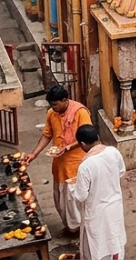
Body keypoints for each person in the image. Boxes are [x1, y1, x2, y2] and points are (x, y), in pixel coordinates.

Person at [25, 84, 91, 235]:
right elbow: (47, 135)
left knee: (73, 201)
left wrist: (67, 148)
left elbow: (87, 137)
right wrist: (34, 154)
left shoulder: (80, 112)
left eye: (55, 104)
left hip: (76, 165)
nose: (53, 107)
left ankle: (78, 230)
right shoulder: (51, 113)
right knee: (60, 200)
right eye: (51, 105)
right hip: (59, 165)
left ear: (65, 100)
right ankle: (69, 227)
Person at [70, 124, 127, 260]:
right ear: (98, 137)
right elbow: (121, 171)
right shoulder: (113, 152)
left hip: (97, 211)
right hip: (114, 206)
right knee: (114, 239)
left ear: (82, 144)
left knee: (98, 244)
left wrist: (73, 186)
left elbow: (81, 195)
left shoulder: (85, 166)